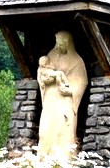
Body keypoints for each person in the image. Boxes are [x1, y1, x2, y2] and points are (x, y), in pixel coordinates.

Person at [37, 31, 88, 159]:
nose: (60, 47)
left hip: (66, 99)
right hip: (50, 98)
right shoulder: (51, 55)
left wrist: (71, 91)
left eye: (62, 44)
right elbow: (42, 71)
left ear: (69, 44)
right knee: (46, 128)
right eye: (57, 43)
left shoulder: (77, 61)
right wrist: (44, 81)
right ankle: (44, 157)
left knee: (63, 129)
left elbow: (82, 81)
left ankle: (64, 159)